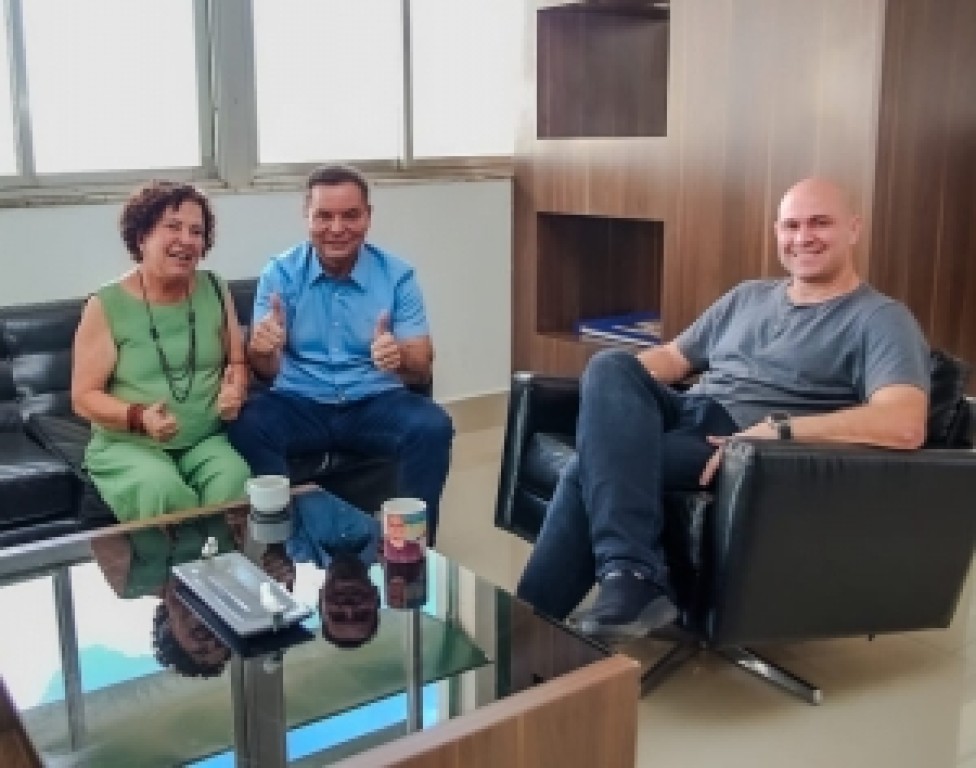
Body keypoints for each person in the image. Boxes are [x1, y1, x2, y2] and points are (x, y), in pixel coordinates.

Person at [516, 177, 931, 642]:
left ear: (853, 229)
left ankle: (540, 624)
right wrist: (609, 404)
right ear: (777, 232)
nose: (803, 237)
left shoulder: (880, 319)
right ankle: (623, 583)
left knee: (587, 469)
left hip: (735, 442)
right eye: (791, 226)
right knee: (610, 365)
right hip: (686, 408)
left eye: (820, 223)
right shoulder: (748, 296)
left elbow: (903, 422)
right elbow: (673, 357)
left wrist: (780, 431)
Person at [227, 164, 453, 543]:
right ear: (307, 216)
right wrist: (261, 351)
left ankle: (410, 549)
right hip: (300, 402)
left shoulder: (398, 276)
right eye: (324, 216)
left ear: (368, 216)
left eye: (350, 215)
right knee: (249, 424)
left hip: (374, 402)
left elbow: (422, 363)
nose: (337, 228)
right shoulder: (280, 274)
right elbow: (265, 371)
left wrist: (398, 355)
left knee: (432, 426)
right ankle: (280, 545)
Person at [72, 180, 251, 521]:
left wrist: (236, 388)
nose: (187, 239)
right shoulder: (106, 304)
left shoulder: (215, 287)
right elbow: (83, 398)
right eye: (173, 226)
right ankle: (173, 561)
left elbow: (237, 360)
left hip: (204, 441)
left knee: (235, 481)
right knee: (161, 489)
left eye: (196, 232)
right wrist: (139, 417)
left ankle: (223, 559)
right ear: (142, 236)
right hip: (130, 445)